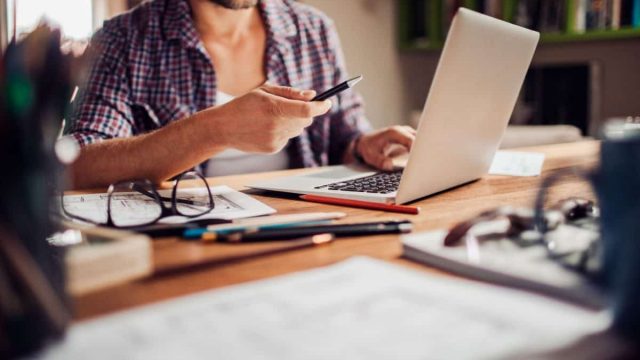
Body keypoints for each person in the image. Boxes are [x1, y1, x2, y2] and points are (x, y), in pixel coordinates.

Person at [65, 0, 416, 188]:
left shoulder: (314, 28)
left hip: (304, 227)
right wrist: (215, 130)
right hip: (187, 244)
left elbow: (343, 134)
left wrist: (364, 144)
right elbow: (78, 165)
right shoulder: (123, 38)